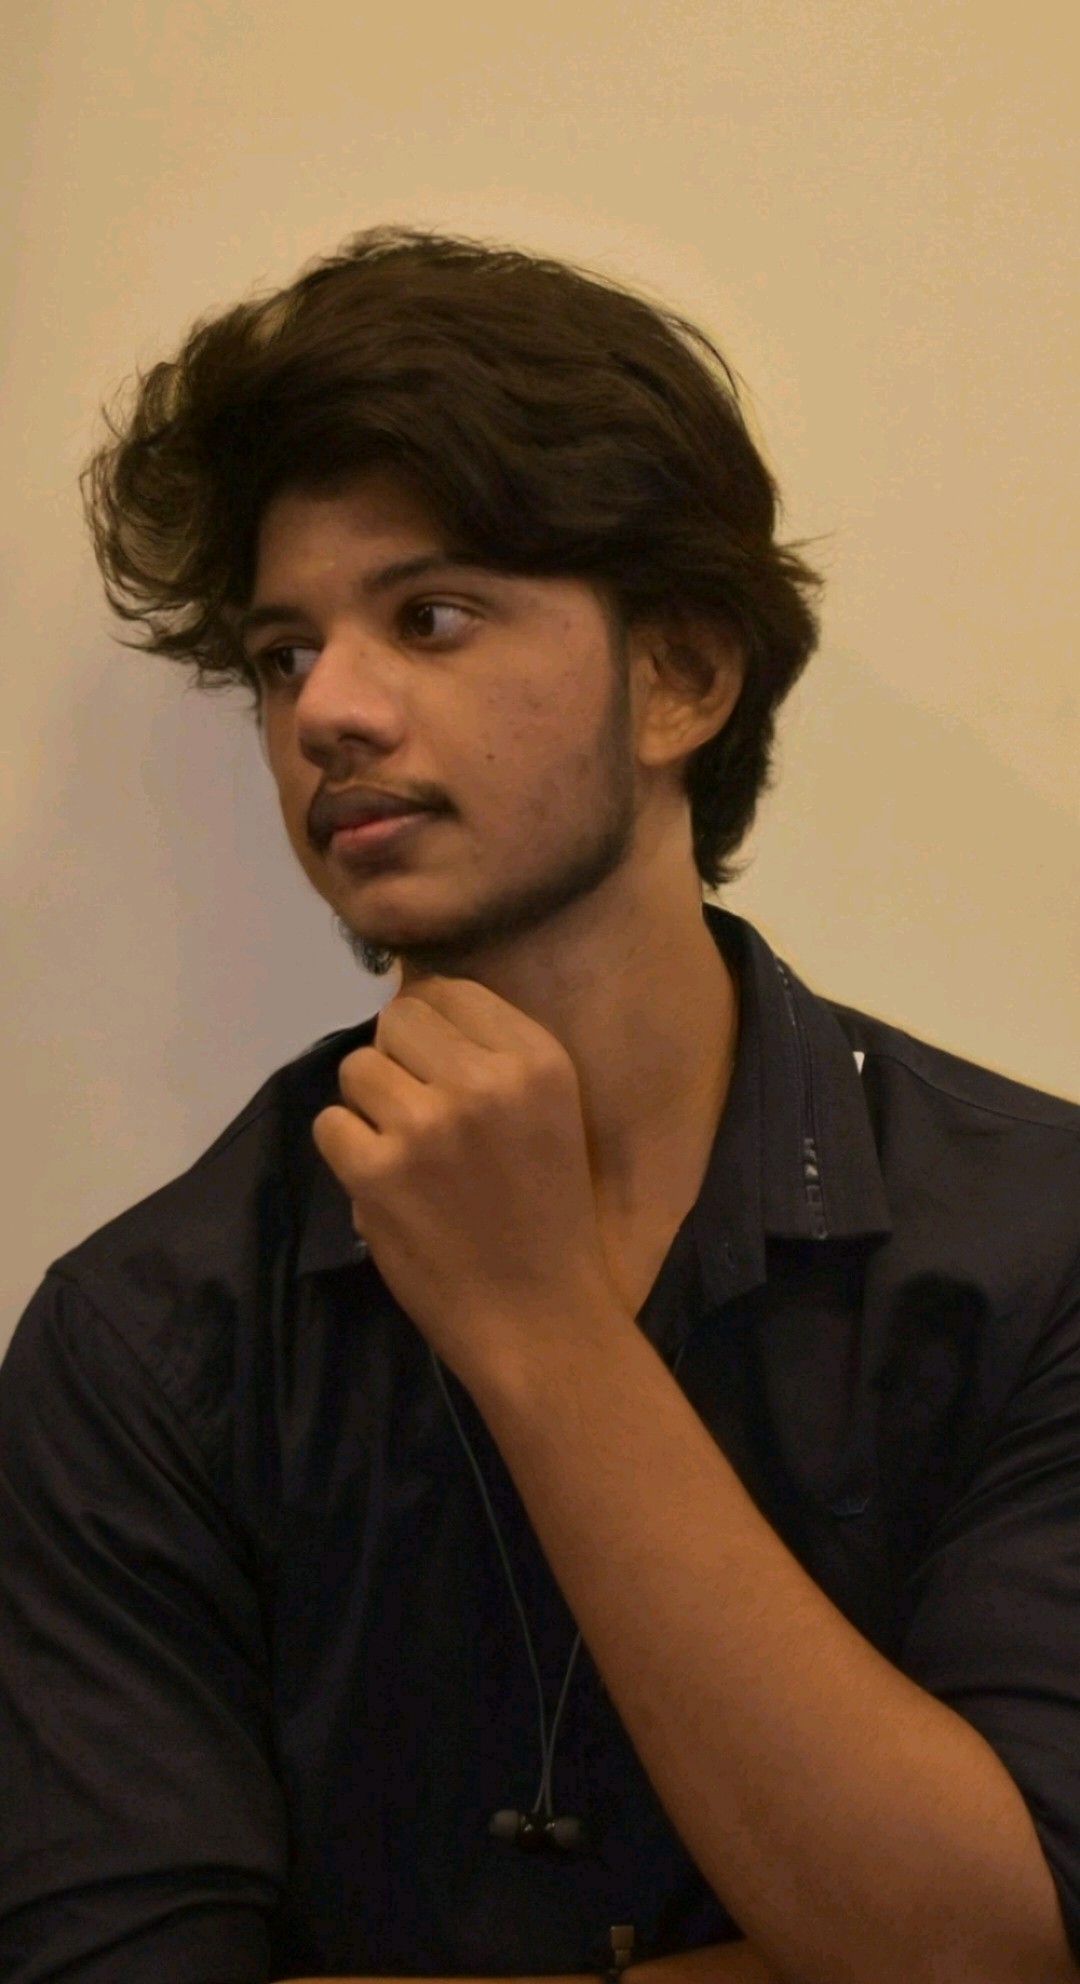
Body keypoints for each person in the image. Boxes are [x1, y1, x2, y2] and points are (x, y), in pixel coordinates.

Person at [1, 225, 1078, 1984]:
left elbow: (997, 1939)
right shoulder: (146, 1338)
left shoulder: (1036, 1245)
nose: (328, 711)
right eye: (281, 654)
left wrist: (539, 1326)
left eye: (429, 617)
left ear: (681, 678)